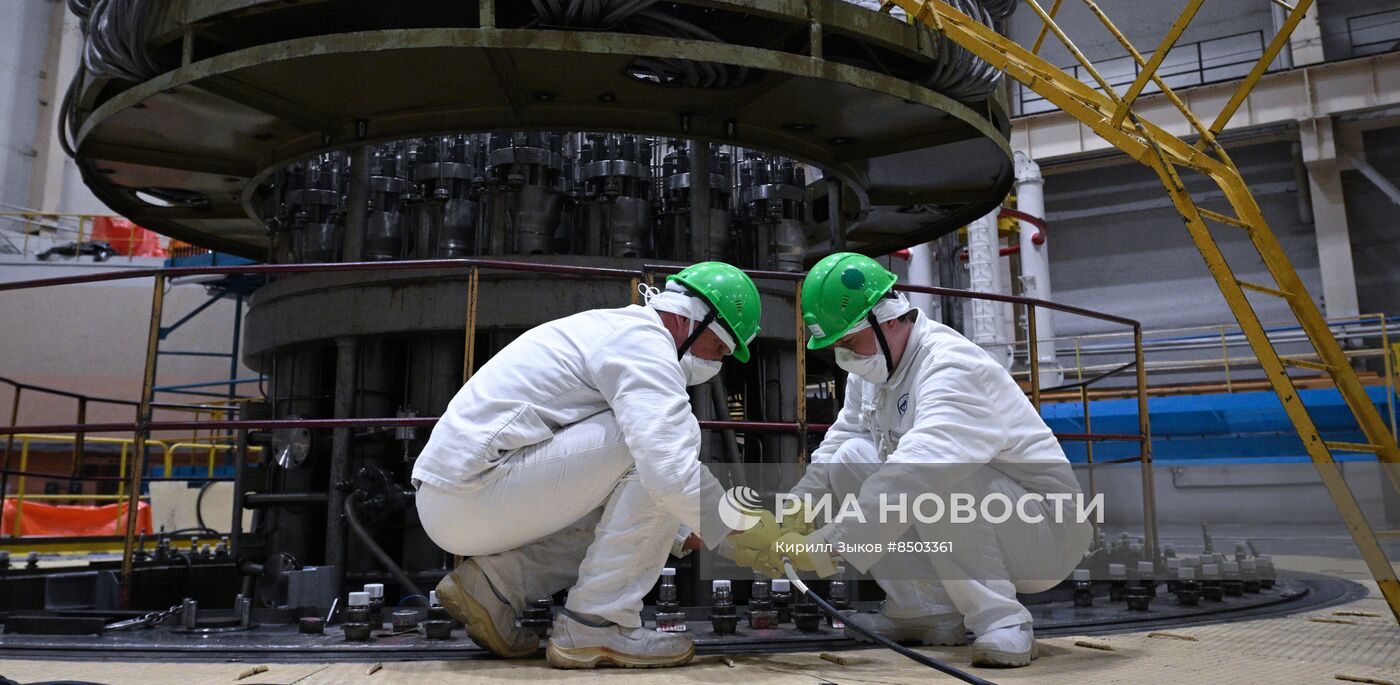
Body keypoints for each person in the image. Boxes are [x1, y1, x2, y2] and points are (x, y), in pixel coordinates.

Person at [412, 261, 777, 669]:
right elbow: (666, 468)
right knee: (665, 444)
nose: (718, 362)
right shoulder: (643, 343)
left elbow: (635, 497)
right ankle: (598, 623)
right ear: (692, 318)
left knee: (637, 484)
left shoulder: (619, 332)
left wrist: (683, 532)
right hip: (473, 491)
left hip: (461, 497)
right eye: (721, 348)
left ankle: (493, 587)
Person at [765, 252, 1092, 668]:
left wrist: (829, 542)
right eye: (837, 347)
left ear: (886, 319)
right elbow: (842, 439)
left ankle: (1003, 622)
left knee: (944, 478)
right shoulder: (874, 369)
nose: (843, 356)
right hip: (983, 516)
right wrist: (797, 509)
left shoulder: (951, 366)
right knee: (852, 458)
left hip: (1044, 534)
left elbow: (921, 468)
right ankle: (921, 607)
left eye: (848, 342)